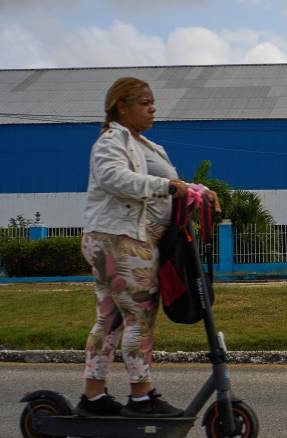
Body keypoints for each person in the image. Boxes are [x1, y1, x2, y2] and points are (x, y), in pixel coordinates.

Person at [75, 77, 219, 418]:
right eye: (144, 103)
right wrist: (166, 187)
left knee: (109, 319)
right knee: (139, 317)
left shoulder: (146, 145)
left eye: (152, 102)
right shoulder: (112, 140)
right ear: (121, 107)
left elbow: (169, 184)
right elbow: (114, 178)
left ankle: (92, 397)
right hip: (119, 239)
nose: (152, 108)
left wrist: (196, 190)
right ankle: (141, 396)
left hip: (121, 239)